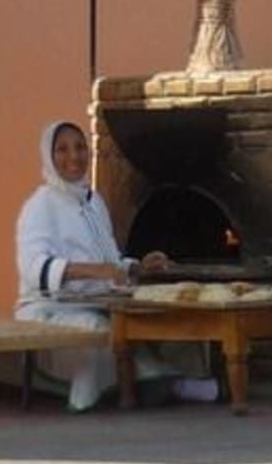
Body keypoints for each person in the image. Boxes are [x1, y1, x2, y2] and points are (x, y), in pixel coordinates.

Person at [16, 119, 219, 411]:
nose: (74, 156)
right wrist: (94, 271)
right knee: (100, 329)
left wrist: (138, 268)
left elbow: (110, 262)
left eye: (80, 147)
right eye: (62, 149)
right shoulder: (39, 206)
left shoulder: (94, 202)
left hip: (100, 302)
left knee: (163, 315)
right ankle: (161, 385)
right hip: (52, 309)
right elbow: (34, 268)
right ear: (49, 156)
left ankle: (174, 380)